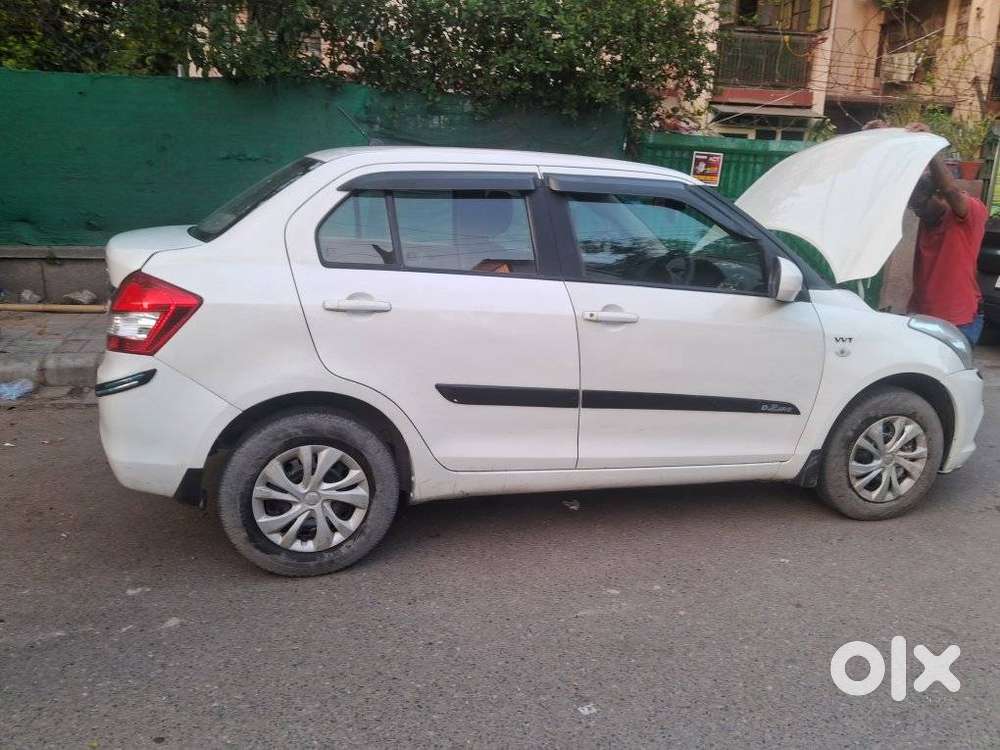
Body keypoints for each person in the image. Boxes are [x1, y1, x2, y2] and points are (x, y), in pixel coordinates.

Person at [905, 122, 987, 345]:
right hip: (921, 314)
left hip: (957, 321)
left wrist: (930, 148)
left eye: (922, 203)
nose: (919, 211)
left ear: (940, 196)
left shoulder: (971, 211)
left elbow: (950, 189)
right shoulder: (928, 216)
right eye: (916, 207)